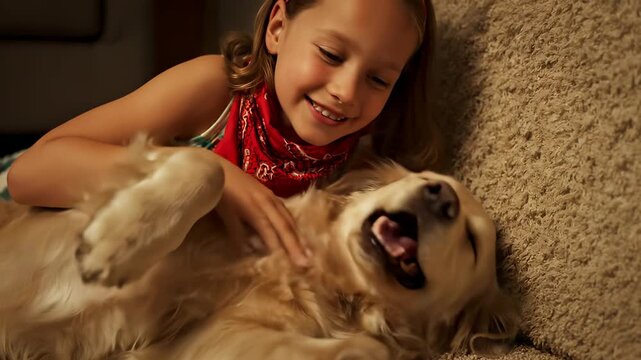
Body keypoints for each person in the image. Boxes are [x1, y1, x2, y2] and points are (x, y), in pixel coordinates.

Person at [4, 0, 440, 267]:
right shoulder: (215, 91)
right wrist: (205, 172)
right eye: (330, 53)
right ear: (278, 28)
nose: (346, 92)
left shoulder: (360, 167)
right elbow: (30, 175)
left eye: (379, 80)